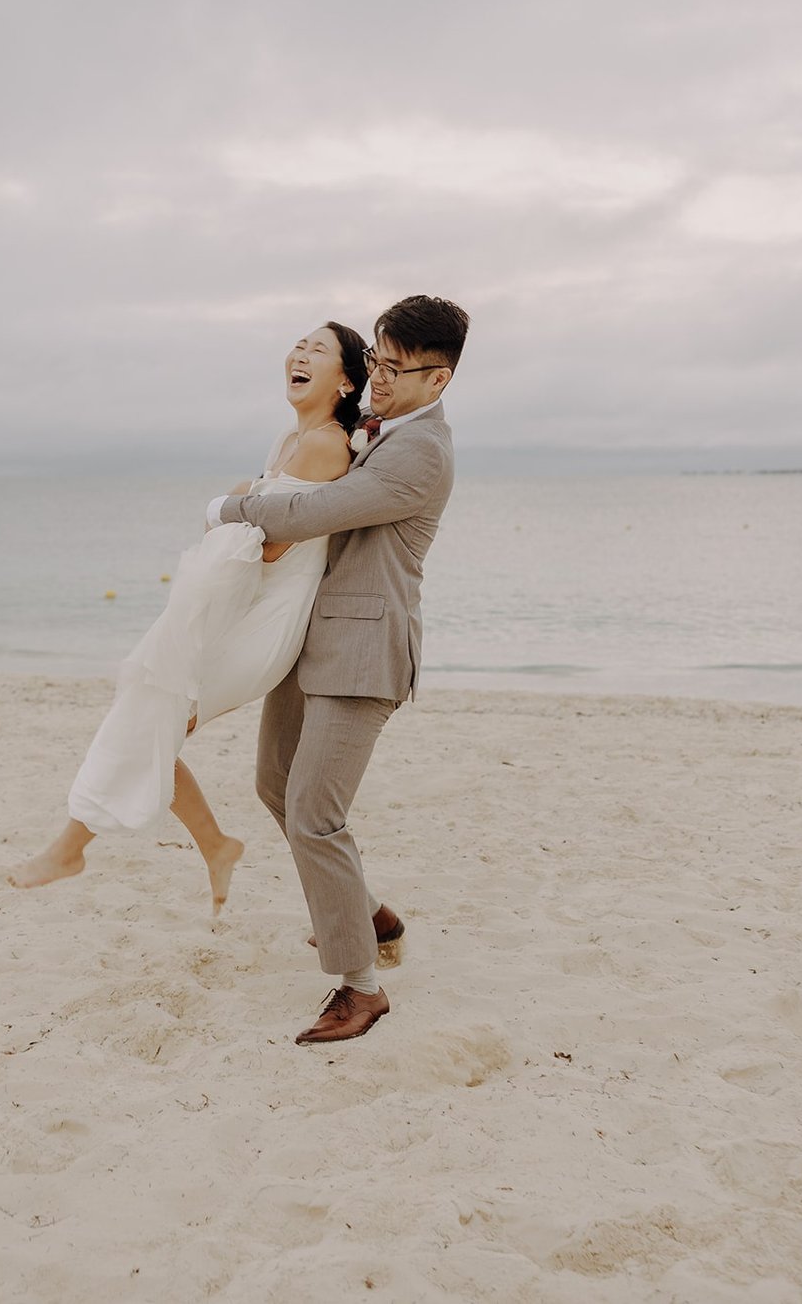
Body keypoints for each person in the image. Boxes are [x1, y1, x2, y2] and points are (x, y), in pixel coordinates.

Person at [8, 322, 370, 909]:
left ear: (346, 380)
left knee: (153, 707)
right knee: (152, 710)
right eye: (299, 345)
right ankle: (214, 846)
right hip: (239, 606)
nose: (300, 354)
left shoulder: (326, 444)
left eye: (318, 351)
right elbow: (258, 524)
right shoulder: (288, 442)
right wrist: (239, 506)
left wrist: (228, 507)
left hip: (267, 619)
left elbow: (275, 542)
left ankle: (71, 849)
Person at [209, 294, 469, 1044]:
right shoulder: (374, 429)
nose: (378, 376)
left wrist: (224, 508)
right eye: (377, 359)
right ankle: (369, 913)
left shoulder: (422, 452)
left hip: (363, 651)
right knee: (273, 785)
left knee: (316, 815)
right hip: (310, 640)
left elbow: (311, 513)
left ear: (439, 379)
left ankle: (360, 986)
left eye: (395, 367)